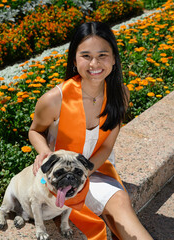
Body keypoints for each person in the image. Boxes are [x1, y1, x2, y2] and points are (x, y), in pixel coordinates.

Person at [29, 22, 153, 240]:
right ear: (74, 60)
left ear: (114, 58)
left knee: (119, 203)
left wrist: (84, 174)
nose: (94, 63)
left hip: (97, 168)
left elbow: (106, 146)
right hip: (59, 174)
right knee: (117, 204)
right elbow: (35, 131)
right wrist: (44, 154)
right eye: (86, 55)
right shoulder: (54, 100)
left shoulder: (119, 95)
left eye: (103, 54)